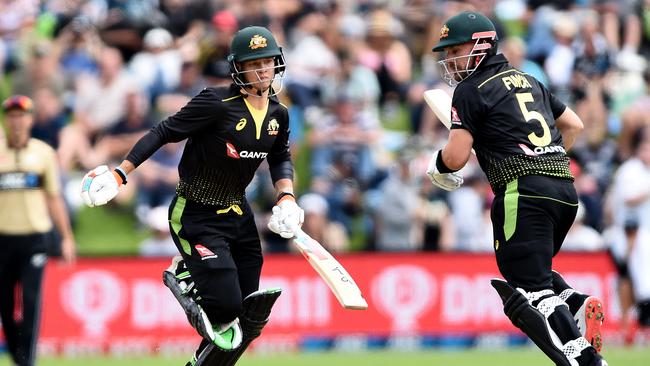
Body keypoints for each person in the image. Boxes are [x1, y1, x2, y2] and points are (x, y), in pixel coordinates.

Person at [79, 26, 302, 366]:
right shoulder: (215, 102)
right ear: (237, 68)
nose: (262, 70)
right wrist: (121, 173)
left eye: (268, 62)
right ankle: (186, 273)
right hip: (195, 213)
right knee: (225, 307)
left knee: (245, 314)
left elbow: (280, 157)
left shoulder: (278, 114)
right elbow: (164, 131)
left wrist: (286, 197)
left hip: (238, 214)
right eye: (253, 63)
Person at [426, 11, 607, 366]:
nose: (449, 59)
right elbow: (573, 124)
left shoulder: (469, 89)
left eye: (455, 50)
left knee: (527, 288)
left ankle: (582, 358)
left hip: (521, 191)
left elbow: (457, 156)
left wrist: (438, 168)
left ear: (481, 44)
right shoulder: (528, 79)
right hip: (563, 191)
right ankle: (576, 302)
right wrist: (545, 161)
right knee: (535, 272)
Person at [0, 95, 77, 366]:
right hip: (4, 239)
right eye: (12, 116)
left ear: (31, 120)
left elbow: (54, 197)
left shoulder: (43, 152)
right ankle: (16, 355)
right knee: (5, 306)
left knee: (31, 302)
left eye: (22, 116)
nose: (17, 121)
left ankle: (27, 361)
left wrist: (66, 237)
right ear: (6, 120)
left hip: (34, 238)